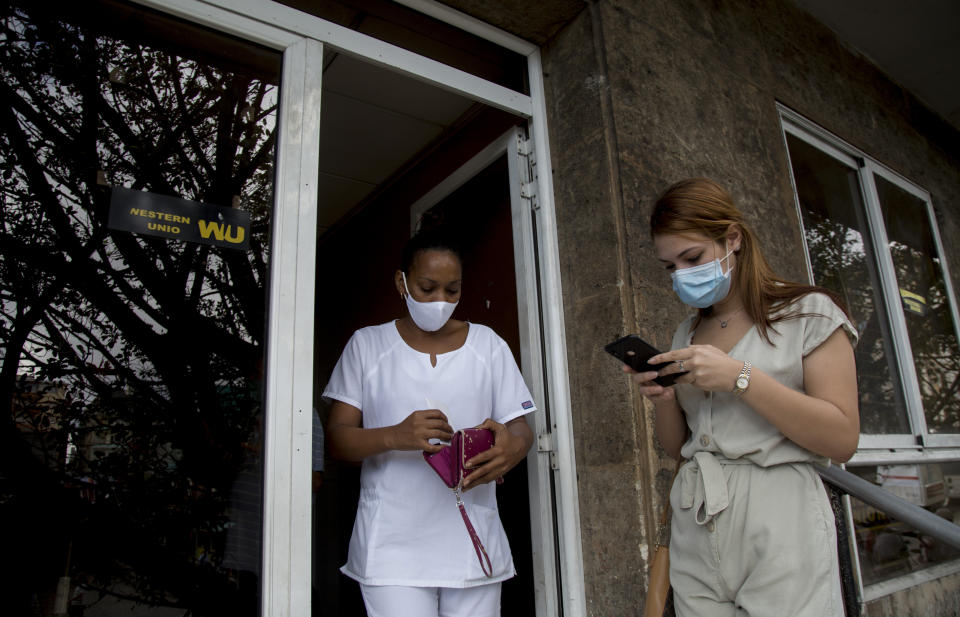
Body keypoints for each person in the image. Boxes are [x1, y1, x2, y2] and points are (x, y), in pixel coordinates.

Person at [625, 178, 859, 617]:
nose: (681, 275)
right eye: (669, 266)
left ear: (732, 238)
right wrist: (664, 400)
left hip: (780, 514)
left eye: (691, 258)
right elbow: (680, 448)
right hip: (696, 516)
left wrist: (741, 378)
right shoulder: (687, 332)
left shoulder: (809, 313)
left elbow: (843, 437)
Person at [323, 226, 535, 617]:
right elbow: (337, 440)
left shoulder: (488, 345)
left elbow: (521, 427)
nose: (440, 300)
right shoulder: (367, 345)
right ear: (401, 283)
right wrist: (394, 436)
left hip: (473, 540)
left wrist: (511, 449)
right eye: (427, 287)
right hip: (392, 546)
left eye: (452, 290)